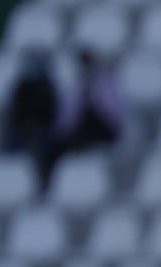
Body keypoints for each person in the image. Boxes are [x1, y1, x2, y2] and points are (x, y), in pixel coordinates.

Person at [45, 49, 122, 184]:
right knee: (53, 144)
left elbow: (112, 114)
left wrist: (92, 101)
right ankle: (50, 182)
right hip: (80, 132)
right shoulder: (76, 86)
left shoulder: (106, 83)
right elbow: (67, 117)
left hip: (104, 129)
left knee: (89, 114)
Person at [2, 50, 59, 185]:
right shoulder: (21, 88)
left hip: (43, 129)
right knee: (8, 149)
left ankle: (42, 181)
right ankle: (8, 183)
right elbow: (16, 111)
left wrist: (36, 122)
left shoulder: (48, 88)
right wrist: (25, 122)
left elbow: (51, 112)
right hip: (22, 127)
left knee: (44, 149)